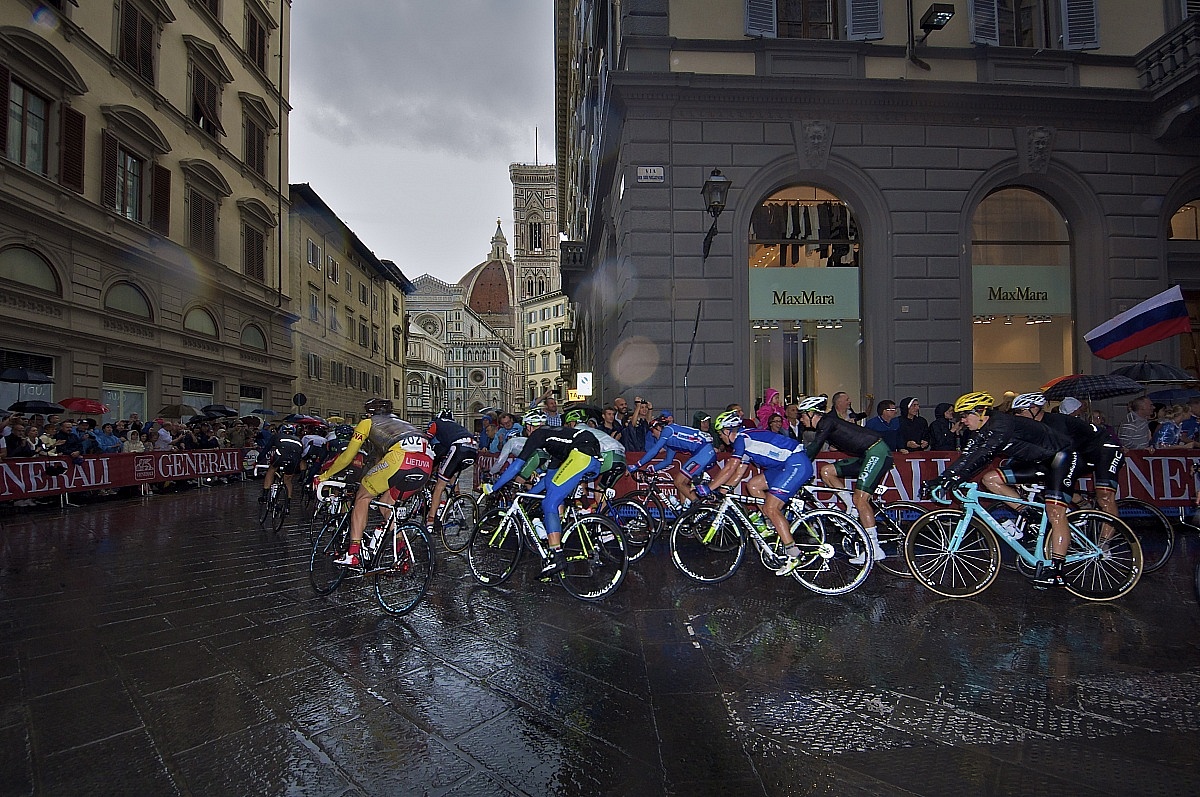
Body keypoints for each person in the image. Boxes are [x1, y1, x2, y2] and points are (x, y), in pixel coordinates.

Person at [923, 392, 1076, 588]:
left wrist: (953, 479)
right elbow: (969, 456)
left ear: (980, 412)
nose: (962, 420)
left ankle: (1057, 572)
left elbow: (984, 456)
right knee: (990, 479)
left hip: (1062, 458)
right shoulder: (982, 429)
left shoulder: (1001, 424)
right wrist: (941, 479)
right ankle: (1030, 515)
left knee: (1055, 512)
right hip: (1039, 461)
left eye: (964, 415)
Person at [482, 408, 602, 577]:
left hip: (582, 454)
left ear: (529, 427)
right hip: (592, 455)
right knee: (553, 491)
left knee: (549, 503)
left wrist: (494, 488)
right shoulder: (556, 446)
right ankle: (556, 539)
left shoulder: (539, 434)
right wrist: (528, 498)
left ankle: (557, 555)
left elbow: (517, 466)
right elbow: (548, 480)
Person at [318, 398, 435, 569]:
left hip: (400, 458)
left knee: (363, 497)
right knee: (386, 504)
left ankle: (353, 553)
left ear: (369, 413)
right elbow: (380, 459)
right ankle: (401, 550)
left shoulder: (367, 422)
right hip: (426, 462)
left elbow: (347, 457)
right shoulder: (401, 422)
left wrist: (324, 476)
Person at [705, 409, 815, 576]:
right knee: (753, 485)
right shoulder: (746, 440)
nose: (720, 436)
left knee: (772, 507)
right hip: (785, 465)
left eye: (721, 433)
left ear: (728, 431)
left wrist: (708, 488)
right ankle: (771, 524)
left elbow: (729, 468)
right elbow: (739, 473)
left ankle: (794, 554)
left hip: (795, 463)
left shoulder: (742, 439)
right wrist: (723, 490)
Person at [798, 395, 891, 563]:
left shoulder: (826, 423)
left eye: (803, 415)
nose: (801, 420)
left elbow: (813, 449)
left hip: (876, 452)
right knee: (826, 471)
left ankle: (874, 548)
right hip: (867, 454)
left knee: (861, 499)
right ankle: (851, 506)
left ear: (812, 414)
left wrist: (797, 468)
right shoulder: (826, 423)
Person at [1011, 392, 1126, 528]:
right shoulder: (1032, 427)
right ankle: (1082, 504)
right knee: (1052, 479)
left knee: (1104, 498)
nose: (1016, 416)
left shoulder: (1056, 423)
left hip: (1105, 449)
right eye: (1014, 412)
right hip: (1080, 452)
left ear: (1034, 408)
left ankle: (1105, 546)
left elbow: (1058, 455)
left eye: (1019, 411)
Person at [630, 409, 717, 507]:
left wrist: (636, 465)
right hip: (705, 452)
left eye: (652, 431)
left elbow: (655, 450)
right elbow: (667, 461)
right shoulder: (671, 441)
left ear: (658, 427)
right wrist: (651, 469)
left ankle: (698, 507)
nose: (653, 435)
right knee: (682, 483)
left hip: (703, 452)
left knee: (678, 481)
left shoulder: (668, 430)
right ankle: (685, 511)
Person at [425, 409, 479, 529]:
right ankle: (457, 497)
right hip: (473, 447)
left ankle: (430, 520)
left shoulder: (436, 423)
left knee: (440, 484)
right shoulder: (454, 425)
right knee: (449, 472)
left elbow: (426, 439)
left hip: (459, 447)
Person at [564, 407, 625, 506]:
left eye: (568, 424)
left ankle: (586, 507)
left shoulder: (576, 431)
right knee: (601, 491)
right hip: (621, 457)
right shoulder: (591, 429)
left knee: (578, 475)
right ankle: (603, 518)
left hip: (609, 455)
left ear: (573, 422)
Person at [260, 422, 304, 513]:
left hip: (281, 455)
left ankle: (264, 495)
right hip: (295, 458)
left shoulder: (277, 436)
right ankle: (287, 505)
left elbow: (267, 448)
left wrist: (258, 459)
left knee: (272, 469)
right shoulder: (298, 439)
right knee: (288, 480)